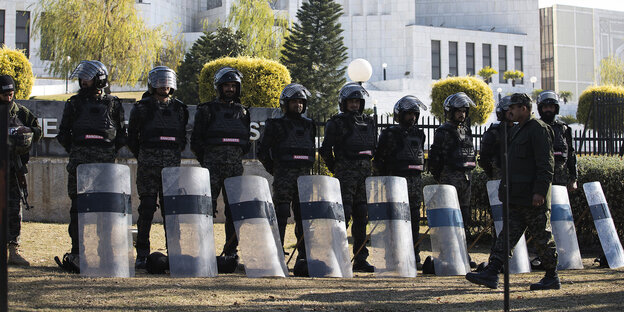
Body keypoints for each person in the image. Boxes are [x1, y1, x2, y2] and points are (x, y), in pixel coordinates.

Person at [465, 93, 560, 290]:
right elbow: (512, 164)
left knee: (542, 237)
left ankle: (552, 276)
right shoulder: (518, 130)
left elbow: (546, 164)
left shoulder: (539, 130)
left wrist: (540, 192)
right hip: (516, 196)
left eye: (513, 108)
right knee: (506, 237)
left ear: (524, 108)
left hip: (532, 197)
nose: (510, 112)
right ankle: (492, 272)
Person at [55, 61, 126, 272]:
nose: (83, 81)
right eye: (82, 77)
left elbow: (121, 135)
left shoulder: (113, 103)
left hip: (105, 165)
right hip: (79, 162)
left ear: (99, 79)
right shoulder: (74, 103)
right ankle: (77, 253)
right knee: (78, 208)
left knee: (104, 209)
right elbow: (63, 134)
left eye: (88, 77)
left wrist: (107, 153)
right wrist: (78, 151)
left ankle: (106, 253)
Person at [128, 66, 188, 270]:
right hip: (148, 166)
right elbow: (132, 138)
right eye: (160, 82)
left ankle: (175, 252)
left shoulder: (180, 109)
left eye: (167, 82)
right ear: (153, 84)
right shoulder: (141, 108)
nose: (164, 86)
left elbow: (182, 139)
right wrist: (146, 156)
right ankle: (142, 254)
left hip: (171, 167)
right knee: (146, 209)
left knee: (171, 211)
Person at [190, 67, 250, 260]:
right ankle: (204, 250)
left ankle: (231, 251)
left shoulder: (243, 112)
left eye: (233, 86)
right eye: (226, 86)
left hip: (234, 167)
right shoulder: (207, 110)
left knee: (234, 210)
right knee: (206, 208)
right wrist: (208, 161)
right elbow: (196, 141)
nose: (230, 89)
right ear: (219, 87)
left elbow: (246, 142)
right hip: (212, 167)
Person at [258, 83, 315, 275]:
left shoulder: (309, 125)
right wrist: (276, 170)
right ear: (285, 103)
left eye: (301, 102)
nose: (298, 105)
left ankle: (304, 256)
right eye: (294, 102)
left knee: (303, 215)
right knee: (281, 212)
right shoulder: (275, 125)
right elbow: (263, 151)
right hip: (283, 174)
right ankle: (277, 254)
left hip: (304, 177)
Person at [319, 82, 376, 272]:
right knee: (343, 216)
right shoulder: (336, 123)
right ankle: (337, 255)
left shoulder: (369, 122)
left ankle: (360, 258)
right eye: (351, 102)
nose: (355, 105)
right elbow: (325, 150)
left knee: (362, 216)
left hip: (364, 176)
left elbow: (373, 149)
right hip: (345, 175)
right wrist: (336, 169)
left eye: (357, 102)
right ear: (343, 103)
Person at [373, 95, 427, 269]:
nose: (411, 117)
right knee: (394, 220)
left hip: (415, 182)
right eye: (408, 114)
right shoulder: (389, 134)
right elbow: (379, 159)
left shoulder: (420, 134)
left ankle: (414, 255)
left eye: (414, 114)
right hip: (396, 181)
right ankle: (392, 256)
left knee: (414, 219)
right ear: (400, 115)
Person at [1, 75, 41, 266]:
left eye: (10, 94)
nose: (8, 98)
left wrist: (25, 135)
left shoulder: (21, 113)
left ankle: (13, 250)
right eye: (4, 95)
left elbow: (37, 132)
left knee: (13, 209)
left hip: (14, 169)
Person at [428, 92, 476, 239]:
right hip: (450, 177)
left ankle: (463, 253)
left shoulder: (466, 130)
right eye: (458, 111)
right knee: (449, 215)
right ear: (451, 112)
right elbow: (435, 158)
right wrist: (441, 176)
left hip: (466, 179)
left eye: (464, 111)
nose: (461, 114)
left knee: (464, 215)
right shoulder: (443, 132)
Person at [537, 90, 577, 191]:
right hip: (539, 181)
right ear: (541, 109)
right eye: (545, 107)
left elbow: (571, 154)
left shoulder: (563, 128)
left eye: (551, 107)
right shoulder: (535, 127)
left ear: (556, 108)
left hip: (560, 182)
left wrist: (573, 178)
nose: (548, 110)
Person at [479, 96, 513, 180]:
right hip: (498, 177)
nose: (511, 112)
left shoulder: (519, 130)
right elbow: (484, 159)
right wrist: (493, 173)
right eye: (509, 110)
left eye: (513, 109)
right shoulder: (493, 133)